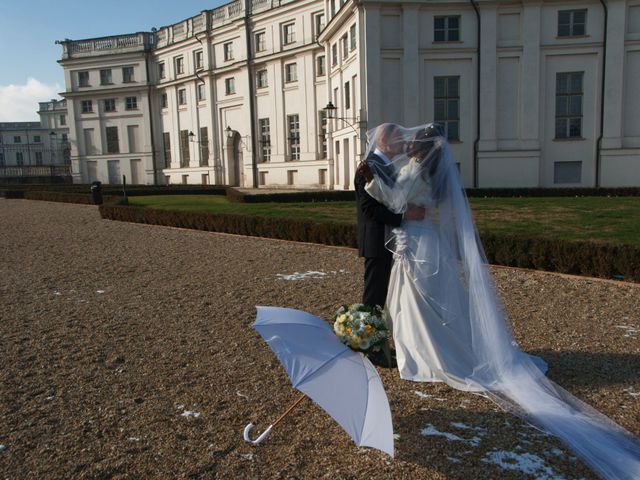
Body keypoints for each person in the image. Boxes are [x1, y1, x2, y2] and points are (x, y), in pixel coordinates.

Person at [362, 123, 640, 479]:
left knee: (421, 303)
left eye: (413, 139)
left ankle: (430, 357)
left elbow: (395, 198)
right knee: (422, 303)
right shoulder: (432, 172)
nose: (408, 141)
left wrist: (371, 182)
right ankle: (423, 351)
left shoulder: (416, 170)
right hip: (419, 244)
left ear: (424, 147)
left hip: (419, 247)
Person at [354, 123, 424, 310]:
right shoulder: (369, 166)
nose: (404, 141)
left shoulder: (388, 165)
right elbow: (370, 210)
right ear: (384, 140)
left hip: (394, 239)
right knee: (374, 295)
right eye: (399, 137)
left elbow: (394, 198)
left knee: (390, 293)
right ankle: (366, 335)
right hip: (377, 240)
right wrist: (405, 216)